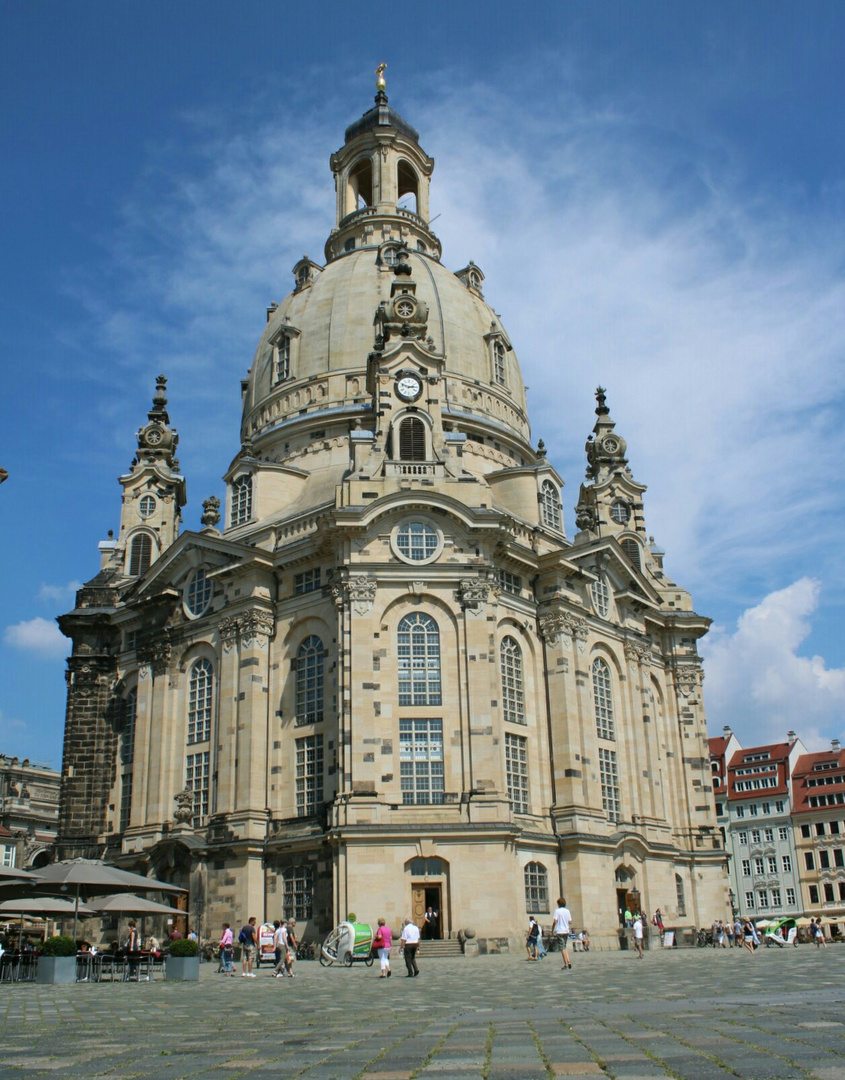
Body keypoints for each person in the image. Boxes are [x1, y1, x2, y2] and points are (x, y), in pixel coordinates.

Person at [552, 897, 572, 970]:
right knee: (565, 947)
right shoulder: (567, 911)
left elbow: (555, 921)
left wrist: (553, 929)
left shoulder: (557, 911)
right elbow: (570, 921)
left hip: (560, 931)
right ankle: (568, 961)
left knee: (562, 948)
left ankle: (566, 964)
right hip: (566, 931)